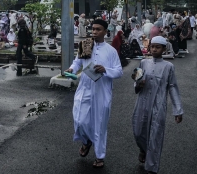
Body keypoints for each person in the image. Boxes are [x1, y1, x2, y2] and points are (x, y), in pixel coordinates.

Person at [64, 19, 123, 169]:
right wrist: (72, 68)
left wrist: (106, 70)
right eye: (93, 29)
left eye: (98, 29)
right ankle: (86, 141)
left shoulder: (111, 51)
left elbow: (119, 71)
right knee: (79, 119)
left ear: (105, 31)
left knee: (100, 124)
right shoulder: (86, 45)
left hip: (102, 90)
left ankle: (99, 156)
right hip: (85, 87)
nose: (94, 32)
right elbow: (77, 62)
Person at [132, 36, 183, 174]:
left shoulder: (169, 67)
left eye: (157, 47)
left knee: (155, 136)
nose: (154, 49)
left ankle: (152, 167)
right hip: (142, 103)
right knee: (138, 132)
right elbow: (136, 81)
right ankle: (143, 149)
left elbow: (172, 87)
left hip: (158, 105)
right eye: (152, 46)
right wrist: (138, 83)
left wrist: (178, 110)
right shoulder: (143, 62)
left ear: (164, 49)